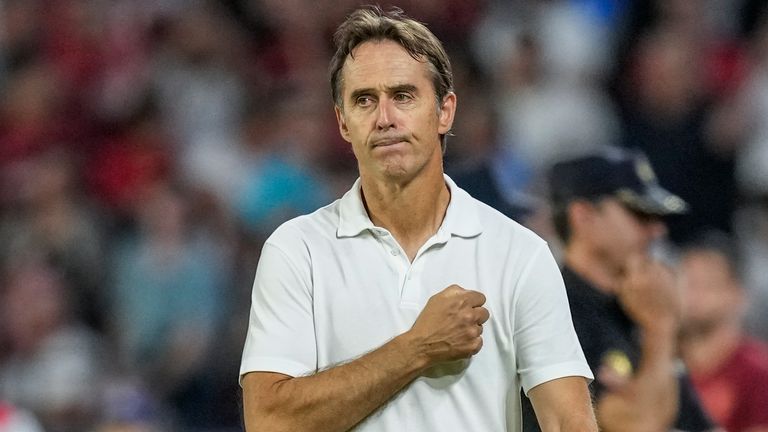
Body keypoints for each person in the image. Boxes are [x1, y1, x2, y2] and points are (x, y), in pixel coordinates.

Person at [239, 7, 597, 432]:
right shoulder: (297, 250)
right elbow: (268, 421)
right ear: (343, 123)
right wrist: (418, 347)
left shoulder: (519, 255)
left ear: (445, 111)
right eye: (364, 100)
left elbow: (567, 423)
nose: (385, 118)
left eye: (403, 96)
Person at [525, 147, 719, 431]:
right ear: (583, 216)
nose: (657, 231)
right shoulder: (556, 311)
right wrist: (661, 331)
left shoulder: (637, 305)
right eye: (640, 214)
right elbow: (638, 423)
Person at [678, 231, 768, 432]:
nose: (694, 296)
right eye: (689, 283)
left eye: (708, 285)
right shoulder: (659, 358)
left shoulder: (758, 372)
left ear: (737, 295)